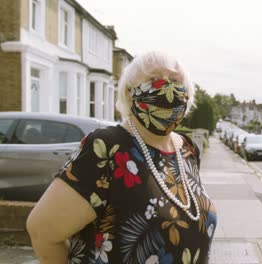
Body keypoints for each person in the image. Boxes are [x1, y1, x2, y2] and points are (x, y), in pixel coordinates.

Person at [27, 51, 217, 264]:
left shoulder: (187, 150)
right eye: (154, 79)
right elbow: (42, 231)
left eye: (174, 81)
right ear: (128, 93)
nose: (166, 88)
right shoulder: (107, 147)